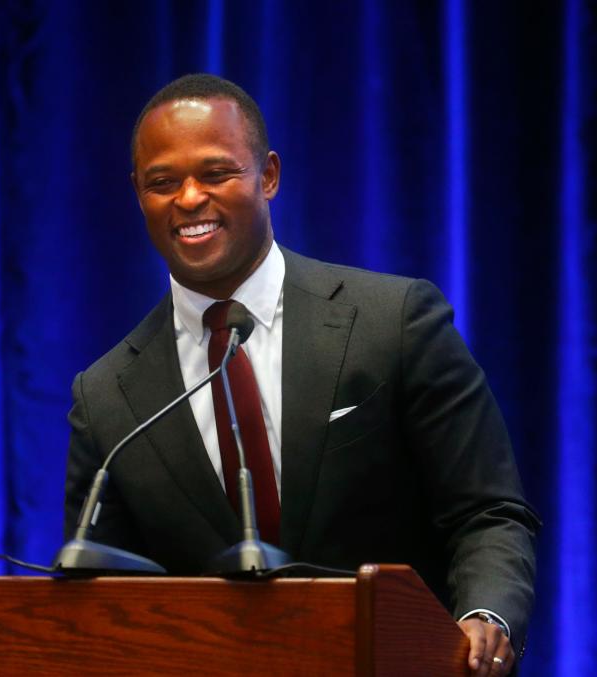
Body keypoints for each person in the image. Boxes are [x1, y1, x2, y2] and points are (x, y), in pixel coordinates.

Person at [64, 73, 539, 676]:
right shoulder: (107, 397)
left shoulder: (393, 322)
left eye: (215, 173)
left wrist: (485, 618)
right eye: (163, 183)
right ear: (138, 194)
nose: (188, 199)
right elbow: (102, 597)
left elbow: (488, 512)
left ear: (267, 176)